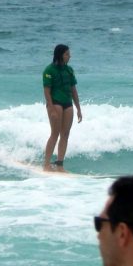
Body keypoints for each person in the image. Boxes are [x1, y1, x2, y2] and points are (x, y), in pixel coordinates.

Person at [42, 44, 82, 172]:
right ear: (60, 55)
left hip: (68, 104)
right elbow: (47, 92)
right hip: (55, 103)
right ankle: (46, 164)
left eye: (69, 54)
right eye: (67, 54)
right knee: (55, 133)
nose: (69, 56)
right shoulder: (49, 70)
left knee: (65, 134)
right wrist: (52, 108)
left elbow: (74, 90)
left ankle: (60, 164)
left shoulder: (69, 70)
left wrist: (79, 108)